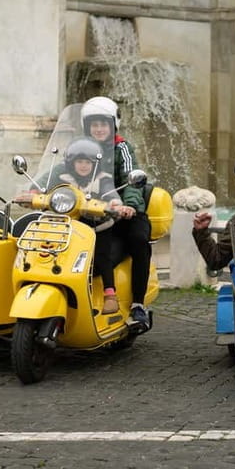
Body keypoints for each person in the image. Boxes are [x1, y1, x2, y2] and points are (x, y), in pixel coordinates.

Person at [80, 96, 153, 334]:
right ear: (86, 127)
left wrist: (129, 205)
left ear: (113, 125)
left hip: (125, 214)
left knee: (139, 240)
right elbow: (60, 170)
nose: (99, 129)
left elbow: (131, 178)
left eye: (104, 124)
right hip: (94, 214)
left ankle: (138, 305)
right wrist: (36, 189)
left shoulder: (122, 147)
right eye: (94, 124)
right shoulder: (81, 149)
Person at [60, 137, 123, 314]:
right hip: (74, 227)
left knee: (102, 256)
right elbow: (51, 191)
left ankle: (110, 295)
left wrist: (116, 204)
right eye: (79, 161)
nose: (83, 166)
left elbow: (111, 194)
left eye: (88, 162)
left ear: (95, 164)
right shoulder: (65, 178)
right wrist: (32, 194)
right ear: (72, 163)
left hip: (99, 226)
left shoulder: (103, 179)